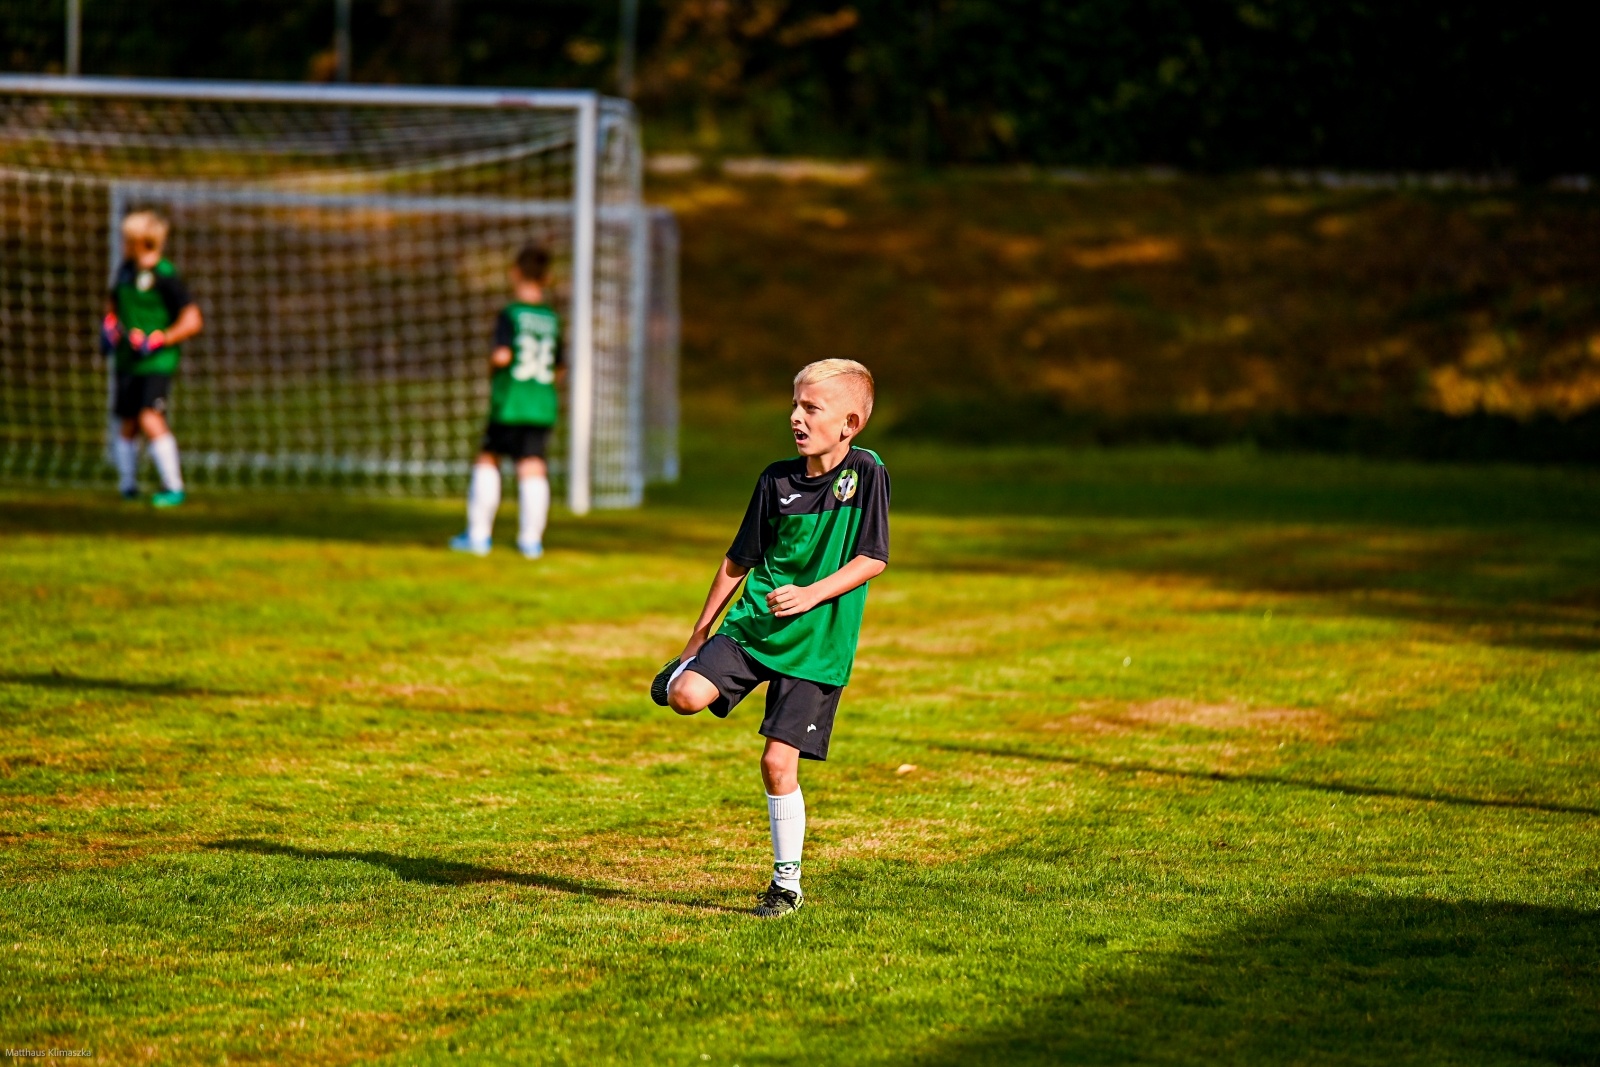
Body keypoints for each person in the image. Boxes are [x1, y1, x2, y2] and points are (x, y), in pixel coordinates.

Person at [651, 359, 890, 917]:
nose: (796, 418)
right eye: (795, 405)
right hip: (755, 626)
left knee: (777, 763)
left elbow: (872, 559)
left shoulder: (867, 473)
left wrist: (810, 594)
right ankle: (690, 669)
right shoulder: (775, 479)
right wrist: (697, 635)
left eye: (812, 408)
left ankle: (785, 885)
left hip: (815, 647)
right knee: (685, 696)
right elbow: (739, 561)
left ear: (849, 424)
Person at [450, 244, 564, 559]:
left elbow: (502, 355)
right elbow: (560, 366)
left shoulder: (511, 314)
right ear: (548, 278)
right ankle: (531, 541)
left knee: (489, 458)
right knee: (533, 464)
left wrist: (492, 371)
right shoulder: (552, 318)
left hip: (511, 401)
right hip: (541, 404)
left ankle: (478, 535)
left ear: (515, 273)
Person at [103, 210, 203, 507]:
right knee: (128, 422)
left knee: (149, 415)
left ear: (140, 241)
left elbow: (192, 320)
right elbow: (112, 304)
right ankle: (128, 487)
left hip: (156, 361)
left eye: (127, 239)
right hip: (127, 360)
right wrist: (109, 328)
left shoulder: (166, 276)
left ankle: (173, 486)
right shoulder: (125, 271)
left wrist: (159, 339)